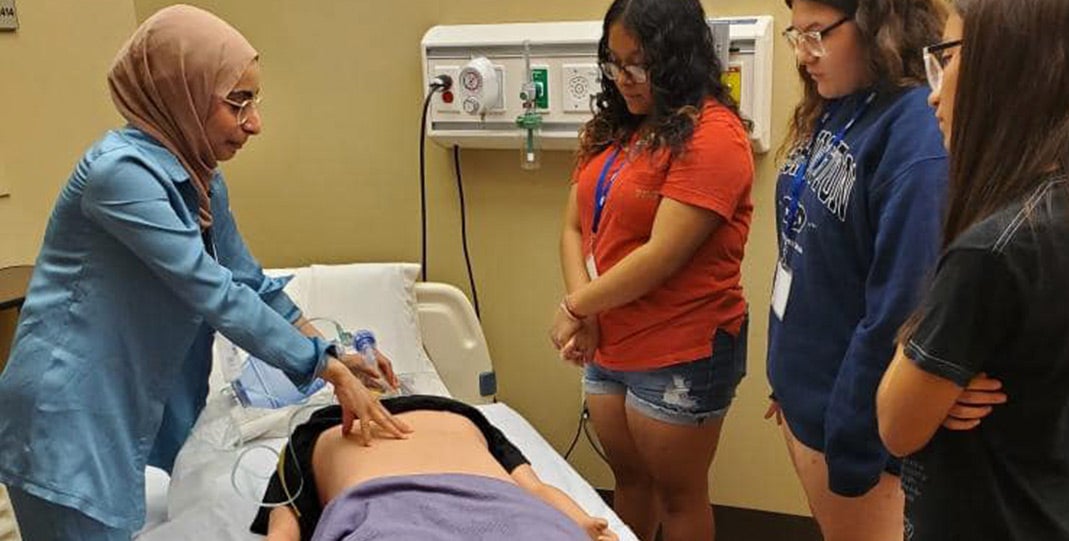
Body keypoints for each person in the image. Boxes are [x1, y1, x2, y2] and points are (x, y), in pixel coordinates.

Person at [0, 6, 409, 540]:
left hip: (116, 403)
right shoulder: (118, 175)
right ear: (181, 94)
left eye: (255, 101)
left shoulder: (199, 179)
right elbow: (211, 290)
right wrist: (324, 371)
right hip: (68, 410)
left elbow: (248, 282)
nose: (255, 123)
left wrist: (331, 353)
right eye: (237, 102)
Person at [876, 0, 1069, 539]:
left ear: (1006, 68)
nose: (933, 90)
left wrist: (919, 347)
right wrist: (946, 373)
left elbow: (897, 426)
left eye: (946, 59)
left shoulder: (992, 250)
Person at [547, 0, 753, 539]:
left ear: (677, 58)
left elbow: (663, 254)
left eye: (638, 64)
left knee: (679, 497)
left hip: (679, 348)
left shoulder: (715, 136)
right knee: (629, 483)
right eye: (613, 64)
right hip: (611, 339)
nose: (623, 79)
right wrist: (587, 311)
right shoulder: (614, 129)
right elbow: (573, 227)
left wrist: (576, 307)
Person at [764, 0, 948, 539]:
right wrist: (788, 377)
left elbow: (898, 309)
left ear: (878, 25)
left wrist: (850, 442)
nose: (803, 55)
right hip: (807, 402)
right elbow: (810, 255)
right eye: (795, 36)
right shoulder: (840, 101)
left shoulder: (915, 130)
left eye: (817, 35)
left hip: (853, 430)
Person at [250, 395, 619, 541]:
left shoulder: (311, 433)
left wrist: (581, 522)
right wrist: (578, 520)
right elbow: (536, 490)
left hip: (384, 517)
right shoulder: (462, 415)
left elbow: (283, 530)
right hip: (520, 520)